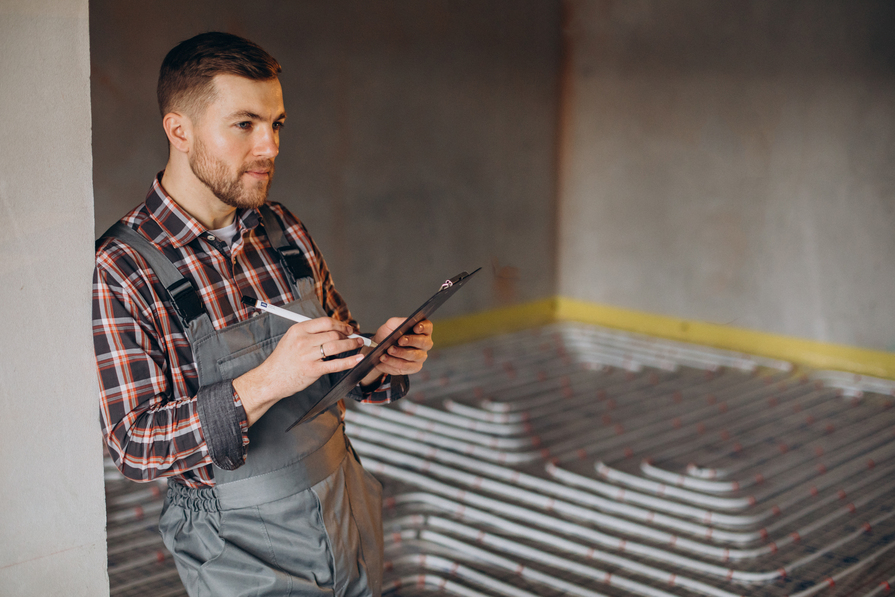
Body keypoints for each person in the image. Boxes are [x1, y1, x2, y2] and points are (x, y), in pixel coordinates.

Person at [93, 32, 433, 597]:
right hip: (237, 546)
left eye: (275, 125)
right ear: (180, 130)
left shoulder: (282, 228)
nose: (270, 147)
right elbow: (134, 444)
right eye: (245, 124)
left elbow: (334, 364)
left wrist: (377, 359)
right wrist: (270, 379)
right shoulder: (123, 266)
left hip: (343, 504)